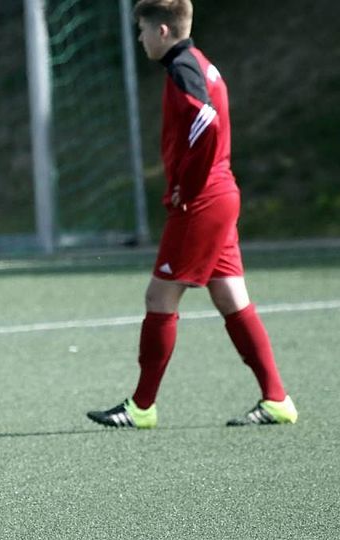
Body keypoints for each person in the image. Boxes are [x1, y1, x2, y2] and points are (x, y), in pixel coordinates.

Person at [86, 0, 297, 429]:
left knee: (159, 298)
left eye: (143, 30)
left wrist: (187, 182)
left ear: (163, 31)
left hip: (203, 201)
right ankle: (277, 400)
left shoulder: (183, 67)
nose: (141, 39)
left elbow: (207, 121)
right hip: (220, 194)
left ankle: (141, 408)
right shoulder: (198, 62)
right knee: (231, 297)